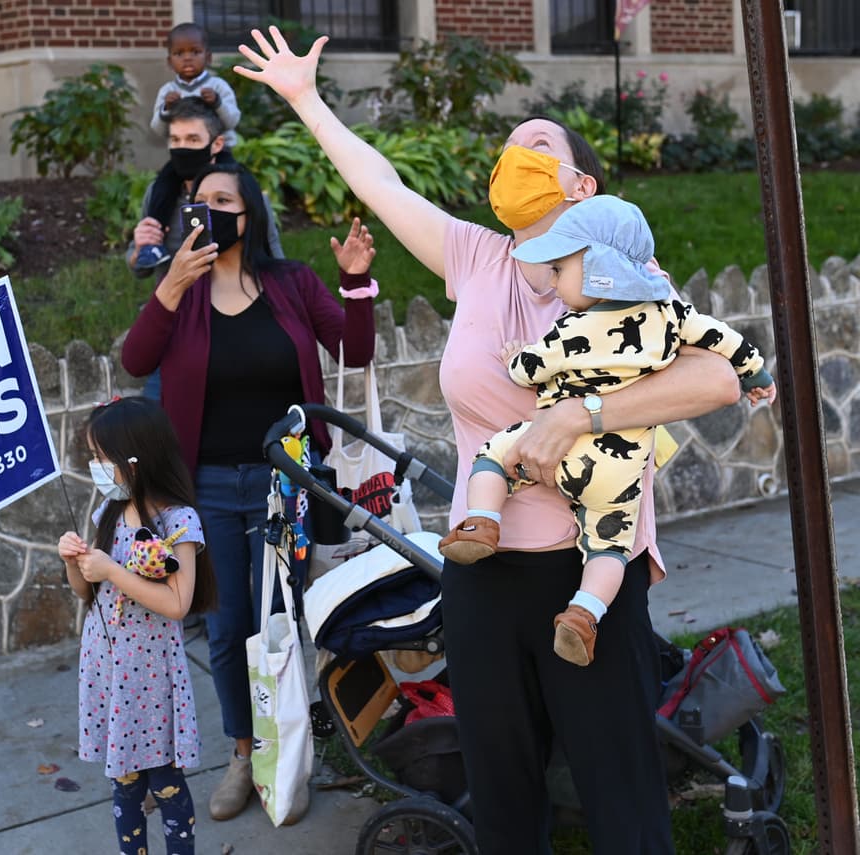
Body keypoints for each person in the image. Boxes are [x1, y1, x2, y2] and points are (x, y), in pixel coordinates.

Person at [236, 27, 744, 853]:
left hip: (589, 575)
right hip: (481, 572)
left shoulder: (629, 277)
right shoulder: (476, 257)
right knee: (503, 800)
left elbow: (717, 378)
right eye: (511, 149)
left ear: (583, 184)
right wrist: (306, 100)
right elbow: (381, 182)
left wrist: (577, 414)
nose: (518, 155)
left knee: (621, 796)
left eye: (538, 147)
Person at [121, 160, 377, 823]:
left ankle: (296, 745)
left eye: (223, 199)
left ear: (249, 213)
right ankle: (245, 753)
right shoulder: (183, 292)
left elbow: (354, 351)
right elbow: (135, 359)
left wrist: (355, 282)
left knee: (286, 622)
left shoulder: (290, 282)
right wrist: (170, 285)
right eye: (199, 200)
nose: (208, 210)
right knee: (228, 625)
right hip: (206, 488)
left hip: (285, 483)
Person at [439, 194, 777, 667]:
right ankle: (584, 614)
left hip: (561, 454)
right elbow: (724, 340)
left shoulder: (570, 331)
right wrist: (756, 375)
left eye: (559, 270)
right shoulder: (670, 315)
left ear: (598, 270)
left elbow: (527, 371)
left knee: (494, 455)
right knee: (611, 547)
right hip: (618, 471)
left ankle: (481, 521)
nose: (553, 283)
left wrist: (516, 356)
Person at [58, 396, 218, 855]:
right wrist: (73, 562)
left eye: (100, 456)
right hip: (109, 669)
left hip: (150, 677)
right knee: (124, 783)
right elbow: (86, 592)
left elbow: (177, 603)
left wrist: (112, 570)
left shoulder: (178, 521)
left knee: (165, 782)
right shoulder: (108, 512)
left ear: (135, 459)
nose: (94, 466)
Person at [128, 96, 282, 276]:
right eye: (175, 140)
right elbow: (141, 271)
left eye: (193, 139)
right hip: (176, 293)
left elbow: (274, 259)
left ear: (217, 144)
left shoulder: (246, 195)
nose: (182, 148)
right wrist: (139, 249)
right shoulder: (157, 195)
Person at [135, 23, 241, 272]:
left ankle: (231, 241)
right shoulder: (168, 91)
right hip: (182, 158)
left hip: (218, 155)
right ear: (169, 61)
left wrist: (217, 104)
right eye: (179, 53)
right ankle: (153, 243)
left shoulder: (217, 87)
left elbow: (233, 121)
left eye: (195, 51)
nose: (187, 58)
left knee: (232, 187)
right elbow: (158, 129)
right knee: (163, 186)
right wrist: (165, 110)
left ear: (208, 56)